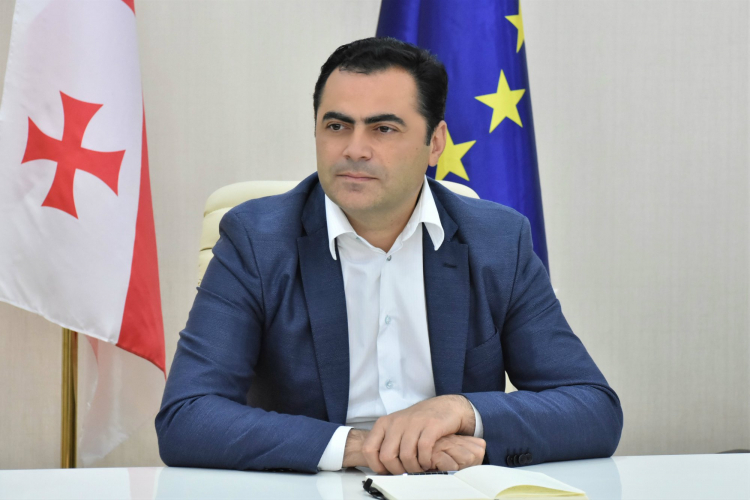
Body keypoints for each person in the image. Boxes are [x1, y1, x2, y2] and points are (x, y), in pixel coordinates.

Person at [155, 37, 623, 475]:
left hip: (451, 486)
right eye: (337, 126)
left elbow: (592, 409)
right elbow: (187, 416)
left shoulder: (498, 241)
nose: (355, 149)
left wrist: (461, 410)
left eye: (383, 128)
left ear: (435, 142)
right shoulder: (256, 239)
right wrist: (361, 447)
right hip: (313, 485)